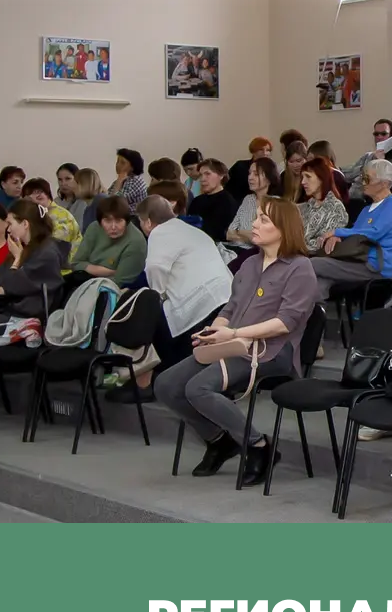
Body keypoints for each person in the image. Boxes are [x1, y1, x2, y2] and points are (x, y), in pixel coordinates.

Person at [156, 197, 318, 487]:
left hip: (272, 351)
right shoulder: (250, 264)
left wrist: (232, 334)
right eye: (257, 217)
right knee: (166, 384)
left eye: (263, 220)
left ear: (283, 228)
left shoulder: (300, 267)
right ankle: (219, 440)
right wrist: (214, 331)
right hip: (233, 344)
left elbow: (285, 323)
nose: (254, 224)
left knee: (198, 387)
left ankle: (258, 446)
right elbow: (230, 308)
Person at [111, 196, 234, 404]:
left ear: (147, 221)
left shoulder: (160, 232)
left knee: (147, 319)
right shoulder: (191, 230)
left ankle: (144, 383)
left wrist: (157, 294)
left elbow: (155, 267)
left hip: (200, 300)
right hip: (224, 296)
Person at [309, 159, 392, 301]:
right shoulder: (366, 209)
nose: (362, 182)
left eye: (367, 179)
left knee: (313, 264)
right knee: (322, 280)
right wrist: (339, 238)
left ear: (384, 183)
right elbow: (355, 236)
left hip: (375, 266)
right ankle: (315, 311)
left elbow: (374, 233)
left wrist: (337, 232)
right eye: (363, 177)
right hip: (357, 260)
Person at [0, 200, 63, 321]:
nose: (8, 229)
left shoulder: (47, 253)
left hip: (26, 316)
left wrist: (17, 259)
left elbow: (13, 285)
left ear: (25, 224)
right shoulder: (27, 248)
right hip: (13, 310)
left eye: (10, 224)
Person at [65, 195, 146, 289]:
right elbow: (76, 264)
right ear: (100, 222)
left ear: (127, 221)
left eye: (118, 221)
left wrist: (88, 268)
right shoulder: (94, 228)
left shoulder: (136, 241)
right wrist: (111, 272)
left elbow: (119, 281)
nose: (113, 227)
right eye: (107, 221)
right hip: (85, 282)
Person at [20, 177, 82, 273]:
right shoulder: (32, 217)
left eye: (39, 198)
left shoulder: (62, 217)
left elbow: (54, 249)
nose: (35, 203)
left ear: (48, 196)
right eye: (30, 201)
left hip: (65, 271)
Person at [226, 159, 281, 254]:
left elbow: (264, 240)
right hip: (235, 248)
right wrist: (247, 234)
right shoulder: (248, 199)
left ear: (269, 179)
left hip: (257, 253)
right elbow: (229, 234)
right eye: (249, 173)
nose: (250, 178)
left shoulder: (275, 203)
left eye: (256, 174)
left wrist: (240, 232)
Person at [297, 156, 349, 254]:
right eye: (302, 177)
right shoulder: (305, 206)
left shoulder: (335, 208)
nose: (303, 182)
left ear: (321, 178)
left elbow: (322, 243)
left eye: (308, 176)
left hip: (313, 257)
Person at [341, 119, 392, 200]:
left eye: (383, 134)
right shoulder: (369, 155)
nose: (379, 137)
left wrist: (378, 162)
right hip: (354, 198)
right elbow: (350, 174)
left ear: (391, 136)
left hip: (373, 200)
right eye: (376, 134)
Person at [226, 137, 273, 202]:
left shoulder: (271, 169)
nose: (265, 153)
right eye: (261, 149)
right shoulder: (240, 166)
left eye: (268, 150)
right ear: (253, 151)